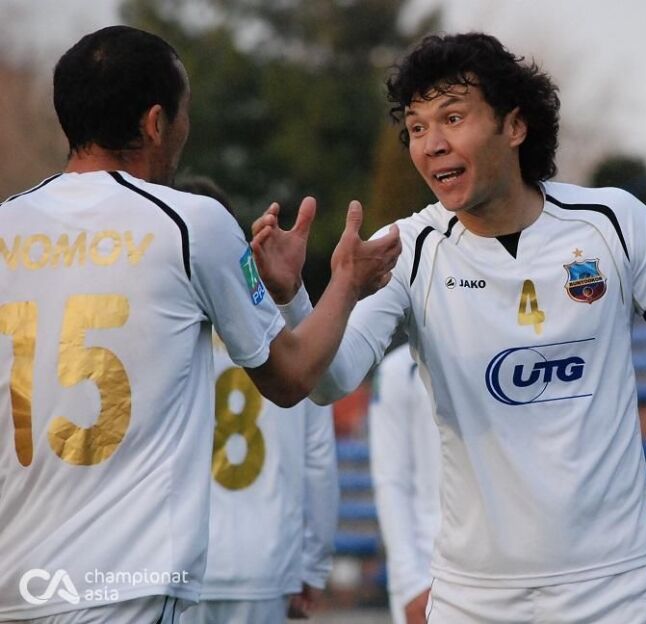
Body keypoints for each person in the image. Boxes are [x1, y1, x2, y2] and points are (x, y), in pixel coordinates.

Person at [253, 32, 646, 622]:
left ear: (514, 126)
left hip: (609, 585)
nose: (432, 144)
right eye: (416, 128)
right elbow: (331, 380)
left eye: (452, 118)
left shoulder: (611, 222)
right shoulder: (408, 249)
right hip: (472, 596)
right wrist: (294, 298)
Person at [0, 25, 398, 623]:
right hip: (126, 587)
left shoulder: (8, 223)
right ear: (156, 122)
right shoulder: (191, 223)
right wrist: (346, 282)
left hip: (16, 585)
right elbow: (291, 378)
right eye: (185, 113)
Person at [171, 179, 338, 624]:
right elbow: (319, 457)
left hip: (176, 559)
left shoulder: (159, 327)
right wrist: (314, 563)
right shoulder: (287, 330)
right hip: (265, 559)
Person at [368, 345, 441, 624]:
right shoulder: (399, 370)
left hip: (505, 571)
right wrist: (410, 585)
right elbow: (391, 480)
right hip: (429, 570)